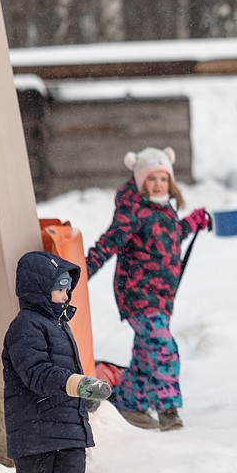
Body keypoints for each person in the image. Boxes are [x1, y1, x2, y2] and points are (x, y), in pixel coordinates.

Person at [3, 251, 114, 473]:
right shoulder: (25, 328)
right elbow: (36, 373)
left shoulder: (58, 325)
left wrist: (83, 399)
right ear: (38, 289)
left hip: (67, 435)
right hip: (34, 438)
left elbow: (60, 378)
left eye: (67, 289)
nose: (66, 296)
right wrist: (77, 384)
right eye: (60, 289)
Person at [85, 147, 211, 430]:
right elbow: (108, 243)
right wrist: (82, 271)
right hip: (138, 297)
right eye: (151, 179)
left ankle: (131, 404)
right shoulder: (132, 212)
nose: (158, 184)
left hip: (162, 299)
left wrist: (192, 222)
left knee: (146, 354)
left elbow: (172, 235)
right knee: (163, 348)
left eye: (163, 179)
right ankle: (168, 409)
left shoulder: (164, 210)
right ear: (141, 181)